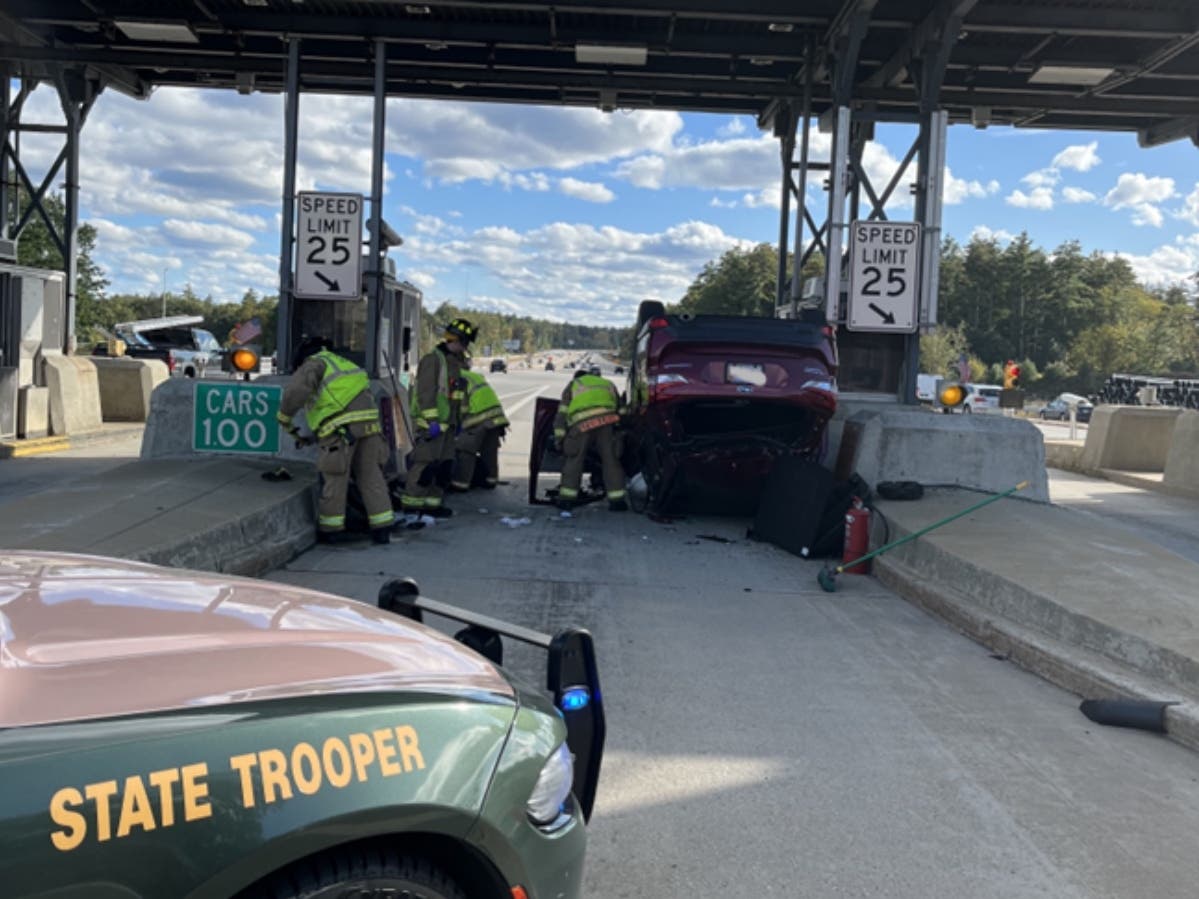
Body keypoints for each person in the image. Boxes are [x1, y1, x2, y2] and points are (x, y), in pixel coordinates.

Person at [276, 336, 395, 545]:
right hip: (369, 427)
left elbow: (296, 392)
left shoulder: (313, 364)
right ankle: (382, 528)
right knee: (371, 476)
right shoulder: (343, 363)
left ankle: (331, 531)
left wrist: (284, 416)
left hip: (340, 431)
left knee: (335, 478)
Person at [402, 317, 475, 517]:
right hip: (431, 425)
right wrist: (431, 421)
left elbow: (457, 396)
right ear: (455, 340)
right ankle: (412, 503)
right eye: (464, 343)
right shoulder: (433, 360)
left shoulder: (457, 364)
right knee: (424, 464)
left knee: (443, 466)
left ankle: (432, 504)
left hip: (449, 425)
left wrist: (458, 421)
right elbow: (426, 393)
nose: (465, 348)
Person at [554, 369, 628, 511]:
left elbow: (562, 413)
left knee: (575, 460)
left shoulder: (574, 384)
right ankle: (617, 501)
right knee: (611, 460)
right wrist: (620, 428)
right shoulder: (608, 384)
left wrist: (559, 438)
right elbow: (622, 410)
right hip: (607, 423)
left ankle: (567, 499)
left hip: (582, 425)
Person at [451, 364, 509, 491]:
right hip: (496, 416)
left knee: (466, 448)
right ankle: (490, 480)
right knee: (489, 450)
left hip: (477, 417)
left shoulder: (457, 379)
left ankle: (460, 484)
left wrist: (456, 426)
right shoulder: (471, 376)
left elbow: (461, 407)